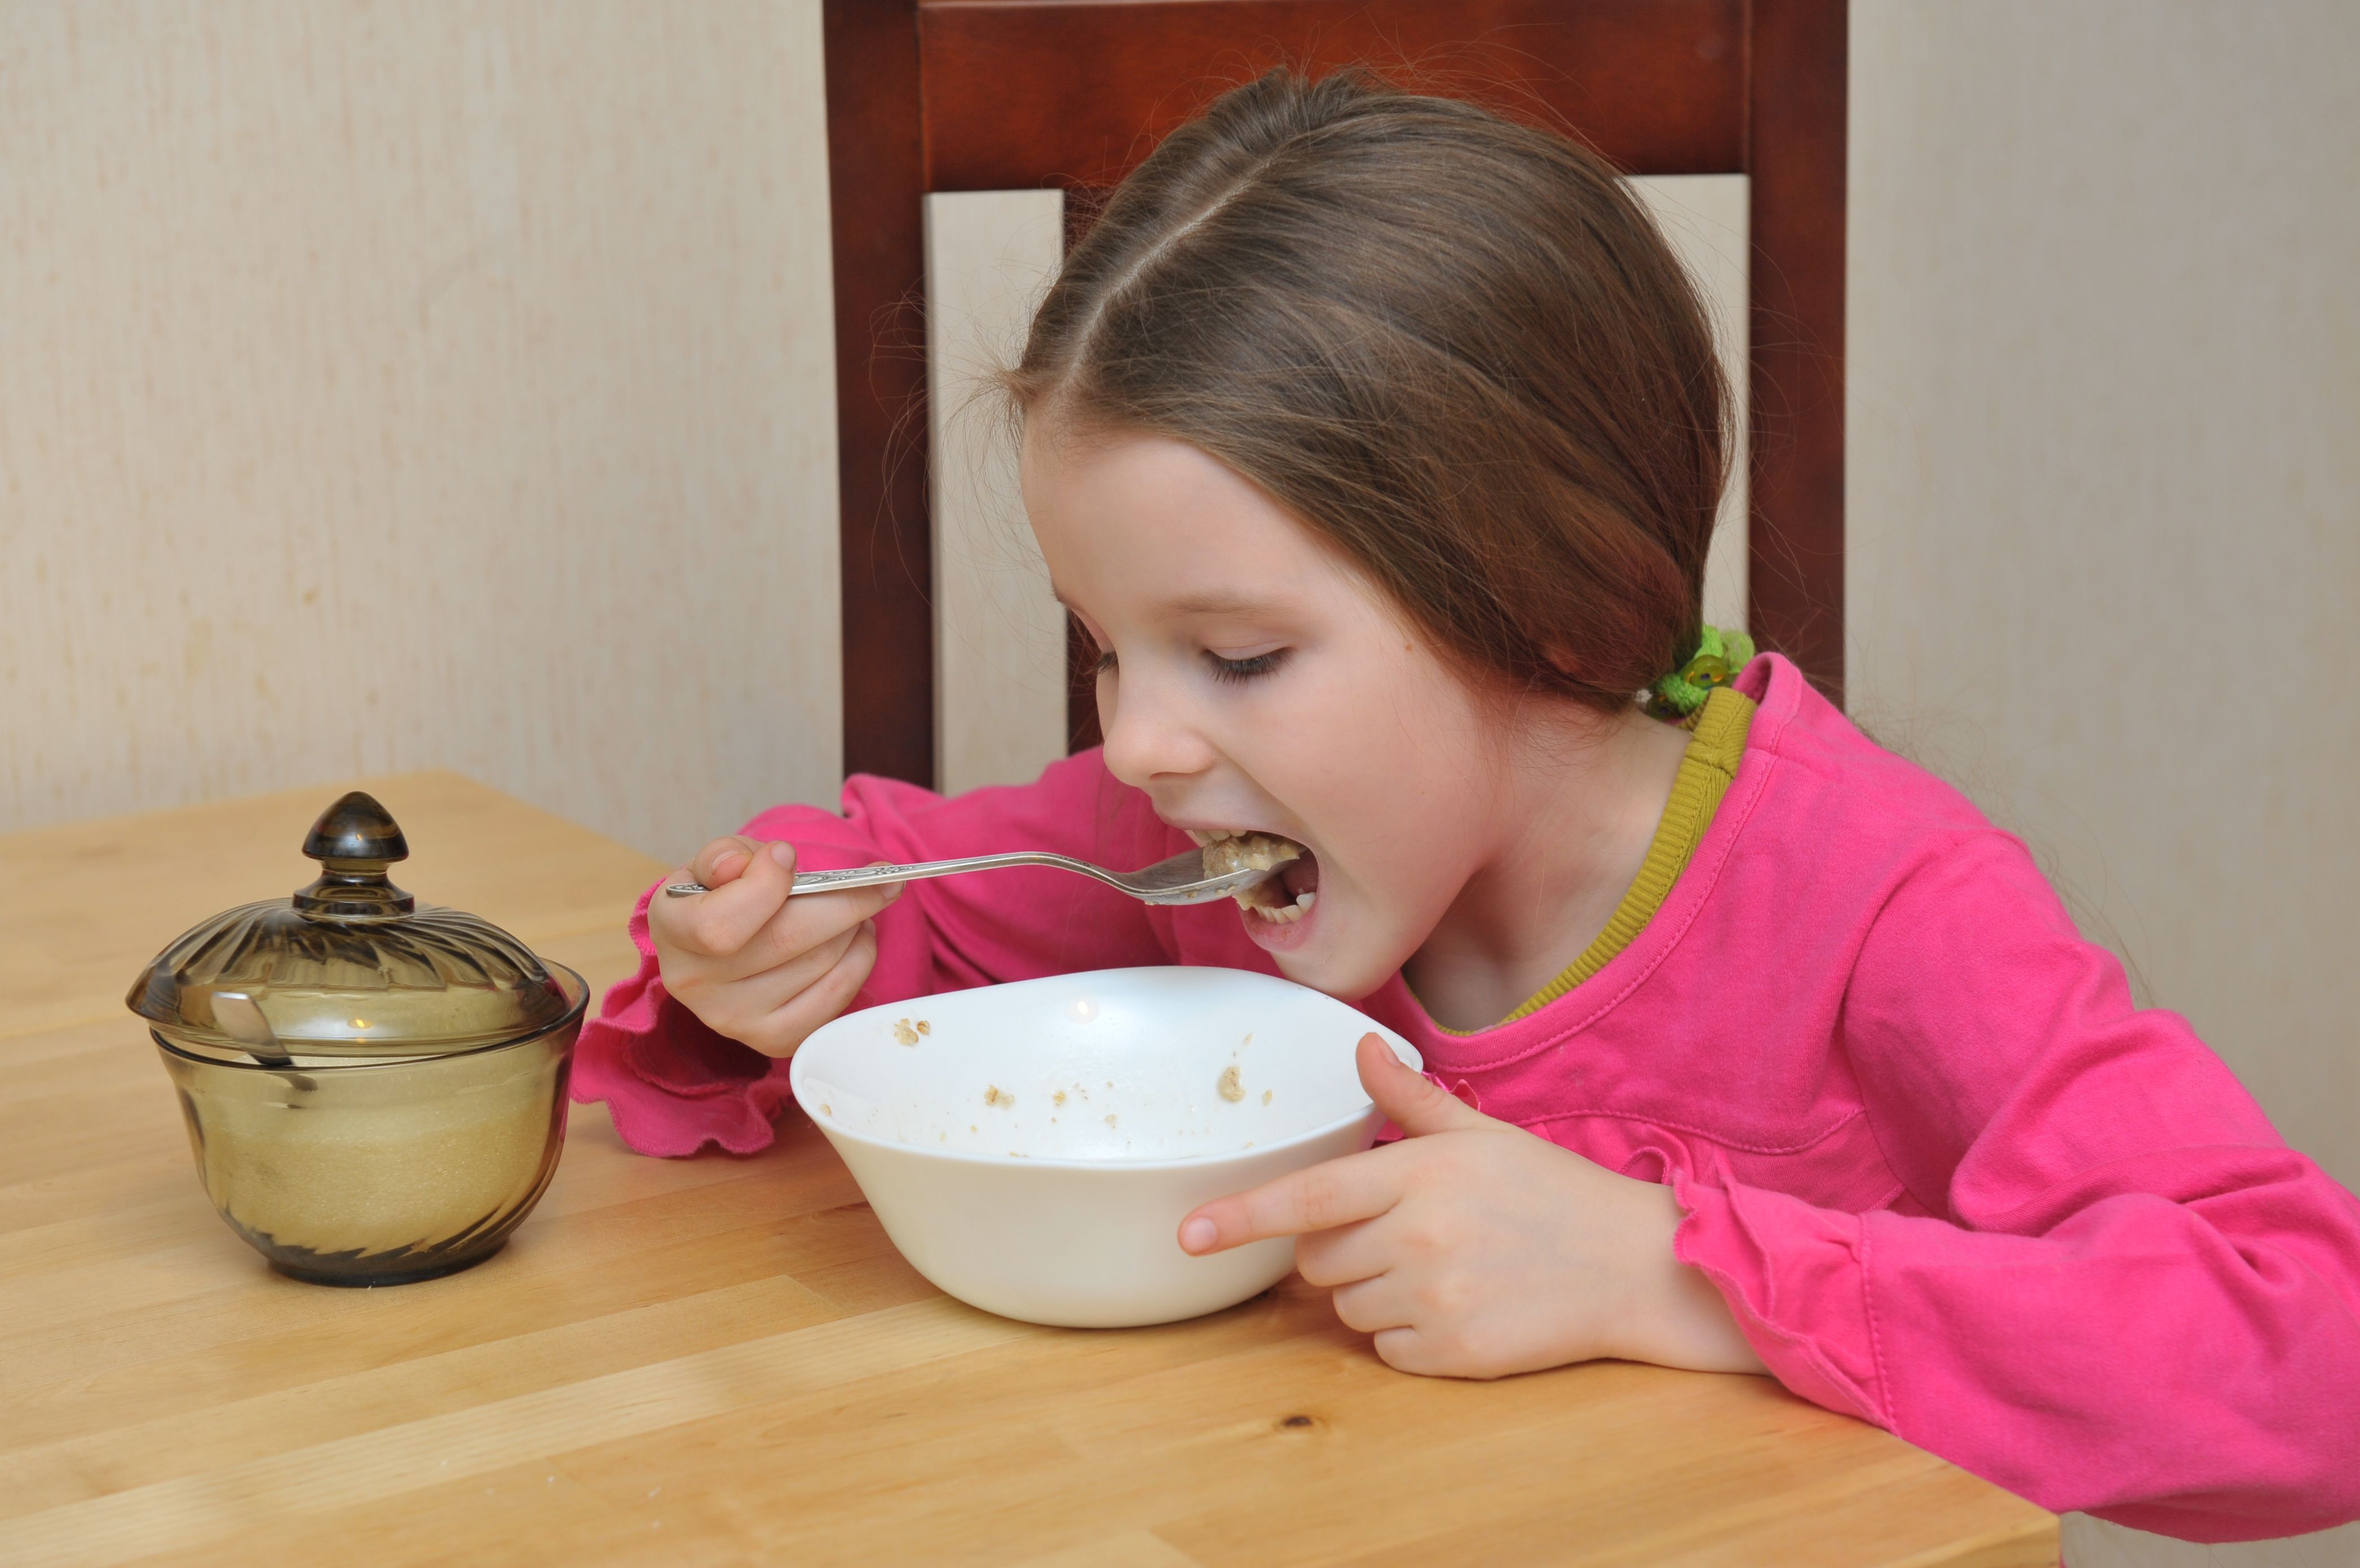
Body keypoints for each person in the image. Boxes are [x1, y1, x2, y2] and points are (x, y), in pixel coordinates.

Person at [575, 70, 2360, 1542]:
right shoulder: (1206, 849)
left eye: (1241, 654)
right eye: (1109, 650)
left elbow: (2303, 1350)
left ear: (1554, 606)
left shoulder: (1875, 901)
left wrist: (1667, 1277)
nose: (1138, 748)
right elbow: (912, 892)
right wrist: (769, 949)